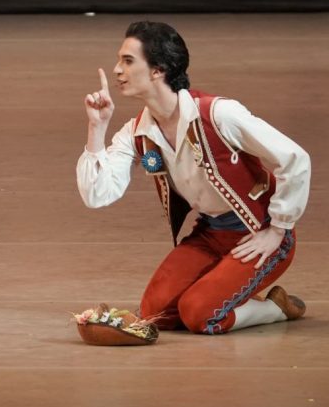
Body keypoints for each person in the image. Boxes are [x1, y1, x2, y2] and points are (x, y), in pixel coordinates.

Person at [76, 21, 310, 335]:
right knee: (154, 314)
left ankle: (274, 309)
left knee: (198, 314)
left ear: (158, 70)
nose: (118, 70)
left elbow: (295, 159)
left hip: (259, 235)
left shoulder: (218, 114)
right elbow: (97, 195)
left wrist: (278, 229)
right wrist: (97, 128)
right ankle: (227, 289)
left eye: (128, 61)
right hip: (210, 234)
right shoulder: (137, 132)